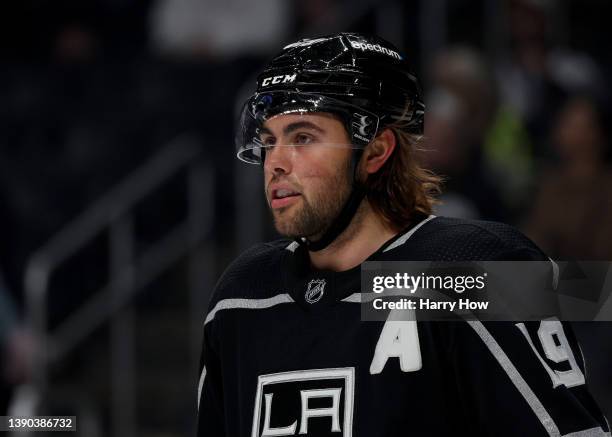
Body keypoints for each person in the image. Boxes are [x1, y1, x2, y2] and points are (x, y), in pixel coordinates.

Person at [197, 33, 609, 436]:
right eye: (269, 141)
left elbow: (592, 296)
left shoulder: (461, 271)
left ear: (376, 151)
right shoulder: (241, 297)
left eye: (303, 137)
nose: (275, 163)